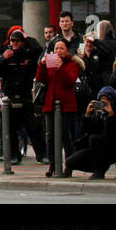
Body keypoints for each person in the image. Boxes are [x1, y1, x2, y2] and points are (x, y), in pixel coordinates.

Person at [0, 26, 47, 164]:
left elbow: (38, 49)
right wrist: (2, 58)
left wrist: (26, 37)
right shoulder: (4, 53)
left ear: (22, 42)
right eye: (12, 41)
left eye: (17, 41)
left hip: (25, 96)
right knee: (10, 129)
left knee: (34, 128)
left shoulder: (28, 53)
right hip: (9, 96)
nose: (14, 43)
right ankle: (14, 156)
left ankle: (42, 155)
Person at [35, 39, 83, 177]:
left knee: (67, 137)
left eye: (61, 48)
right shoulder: (50, 63)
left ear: (67, 50)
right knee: (50, 137)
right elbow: (40, 79)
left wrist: (61, 68)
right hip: (51, 104)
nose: (58, 51)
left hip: (67, 105)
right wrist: (43, 65)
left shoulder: (72, 64)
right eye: (56, 48)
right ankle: (52, 164)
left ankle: (69, 165)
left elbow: (69, 81)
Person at [64, 87, 116, 178]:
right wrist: (88, 115)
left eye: (106, 103)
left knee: (94, 139)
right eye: (101, 103)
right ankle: (94, 167)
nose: (103, 106)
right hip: (96, 150)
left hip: (111, 149)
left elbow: (112, 136)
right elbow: (87, 132)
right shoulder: (97, 114)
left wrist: (111, 116)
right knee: (70, 161)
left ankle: (100, 171)